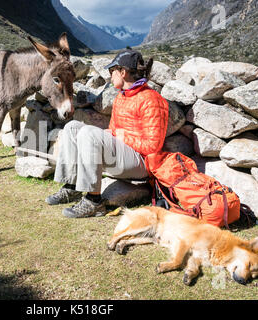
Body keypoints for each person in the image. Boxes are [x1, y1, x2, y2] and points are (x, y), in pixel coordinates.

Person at [46, 49, 169, 218]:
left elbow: (153, 146)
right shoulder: (121, 97)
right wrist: (110, 134)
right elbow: (113, 130)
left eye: (112, 72)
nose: (110, 76)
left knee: (89, 132)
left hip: (142, 163)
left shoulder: (152, 100)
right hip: (123, 156)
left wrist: (121, 136)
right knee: (72, 127)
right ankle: (72, 186)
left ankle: (94, 201)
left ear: (123, 72)